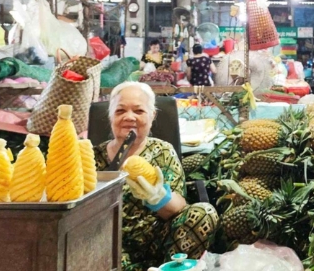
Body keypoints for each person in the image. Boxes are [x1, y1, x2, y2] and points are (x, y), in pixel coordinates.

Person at [93, 82, 220, 271]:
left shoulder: (162, 152)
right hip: (106, 245)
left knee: (204, 214)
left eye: (139, 111)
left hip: (158, 242)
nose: (129, 117)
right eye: (120, 111)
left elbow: (179, 208)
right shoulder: (91, 158)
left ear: (152, 116)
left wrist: (159, 197)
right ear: (110, 116)